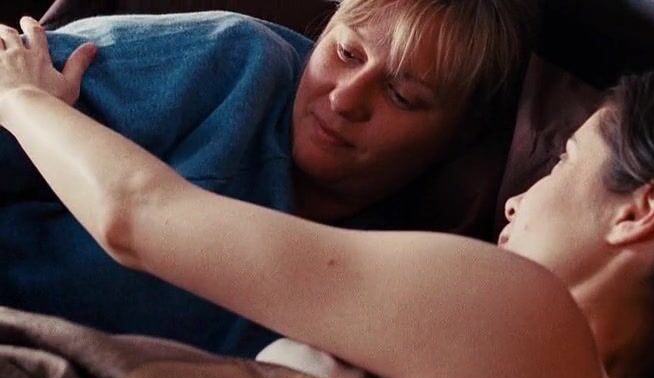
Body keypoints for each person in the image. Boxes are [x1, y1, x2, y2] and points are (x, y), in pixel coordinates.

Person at [2, 17, 654, 378]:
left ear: (640, 210)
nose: (512, 201)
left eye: (563, 161)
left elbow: (135, 216)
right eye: (345, 53)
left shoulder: (519, 316)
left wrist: (22, 98)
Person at [0, 0, 534, 356]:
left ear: (460, 134)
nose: (345, 98)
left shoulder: (405, 271)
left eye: (402, 96)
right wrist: (25, 101)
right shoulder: (232, 63)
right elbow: (12, 83)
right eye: (346, 52)